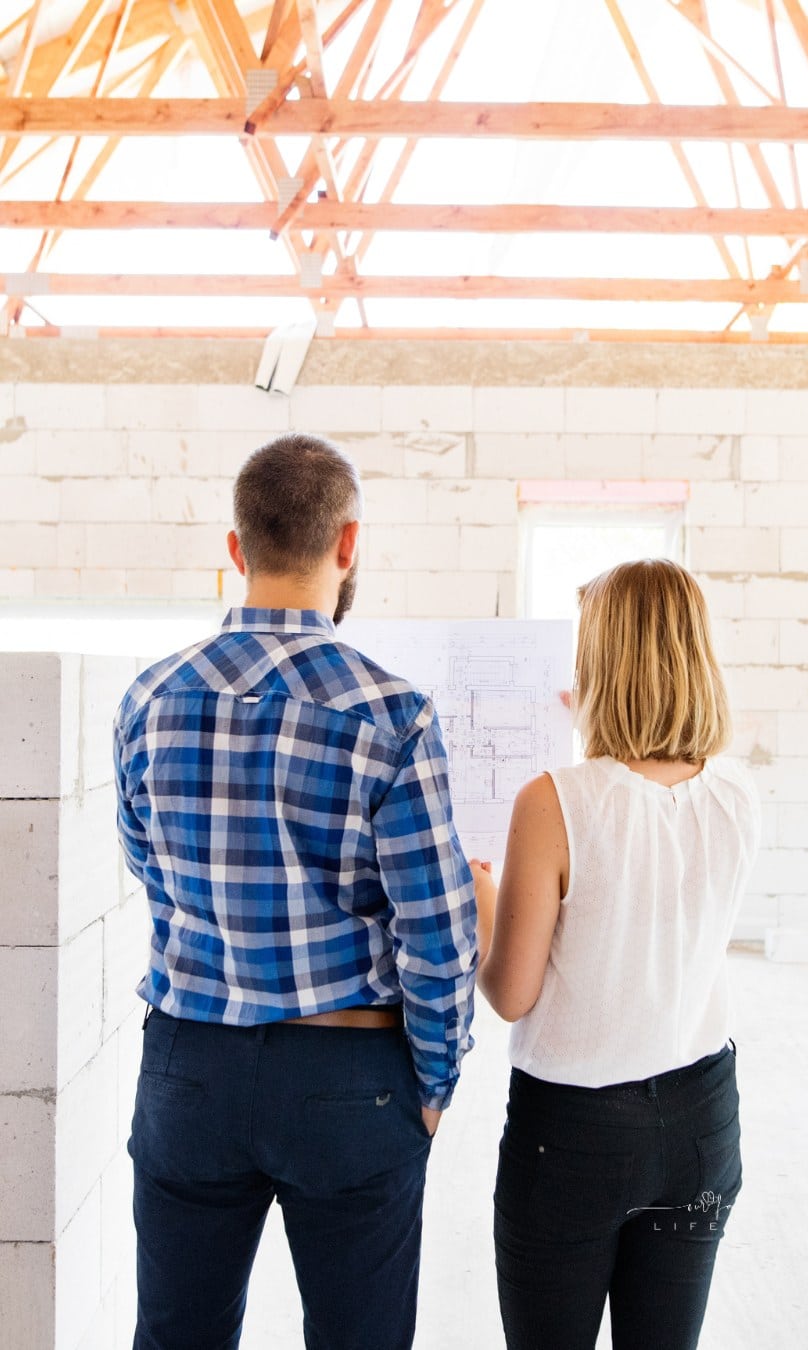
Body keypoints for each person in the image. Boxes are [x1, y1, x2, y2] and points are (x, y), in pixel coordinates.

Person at [113, 433, 477, 1350]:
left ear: (236, 550)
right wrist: (435, 1081)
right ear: (348, 544)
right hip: (349, 1076)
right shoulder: (394, 713)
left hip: (188, 1067)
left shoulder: (148, 699)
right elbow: (436, 934)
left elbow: (149, 869)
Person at [470, 558, 761, 1350]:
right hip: (702, 1122)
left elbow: (511, 994)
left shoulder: (552, 801)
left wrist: (477, 892)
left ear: (603, 662)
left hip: (573, 1137)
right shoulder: (738, 794)